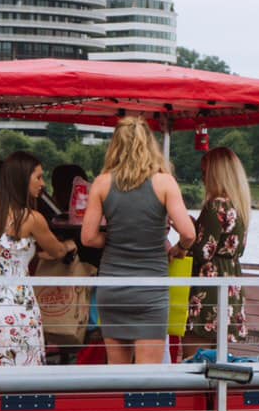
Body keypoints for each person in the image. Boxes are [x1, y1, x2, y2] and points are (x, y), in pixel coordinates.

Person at [81, 117, 195, 365]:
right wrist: (179, 250)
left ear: (116, 146)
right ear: (149, 145)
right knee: (148, 376)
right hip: (150, 289)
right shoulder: (164, 182)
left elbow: (88, 238)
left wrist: (115, 237)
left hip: (113, 288)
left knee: (117, 373)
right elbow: (188, 233)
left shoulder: (102, 183)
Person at [0, 152, 76, 366]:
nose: (42, 184)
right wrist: (69, 245)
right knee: (21, 367)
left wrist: (32, 253)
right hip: (16, 304)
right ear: (22, 179)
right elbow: (56, 251)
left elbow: (2, 251)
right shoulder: (31, 219)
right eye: (38, 177)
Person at [181, 147, 251, 361]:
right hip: (231, 285)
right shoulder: (239, 206)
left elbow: (204, 251)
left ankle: (195, 395)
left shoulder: (215, 206)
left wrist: (186, 232)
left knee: (193, 358)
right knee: (220, 360)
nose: (202, 178)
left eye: (205, 173)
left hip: (208, 288)